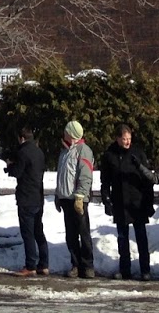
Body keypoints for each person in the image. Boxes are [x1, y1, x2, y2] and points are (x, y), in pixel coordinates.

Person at [102, 124, 156, 281]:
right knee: (122, 237)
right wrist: (106, 200)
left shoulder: (137, 153)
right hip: (119, 201)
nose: (127, 142)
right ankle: (125, 269)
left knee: (141, 236)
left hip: (137, 201)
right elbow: (105, 180)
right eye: (124, 139)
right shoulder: (110, 155)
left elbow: (147, 179)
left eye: (129, 139)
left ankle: (145, 269)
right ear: (117, 138)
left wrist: (149, 202)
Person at [56, 119, 96, 279]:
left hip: (78, 199)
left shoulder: (83, 150)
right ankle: (75, 264)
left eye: (66, 131)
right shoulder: (64, 151)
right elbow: (61, 175)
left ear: (72, 134)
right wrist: (58, 195)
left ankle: (88, 265)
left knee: (83, 233)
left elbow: (85, 175)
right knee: (71, 235)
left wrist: (80, 196)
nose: (64, 133)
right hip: (66, 199)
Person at [5, 127, 47, 277]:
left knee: (28, 233)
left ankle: (30, 265)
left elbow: (18, 172)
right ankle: (44, 264)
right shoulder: (39, 152)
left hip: (26, 197)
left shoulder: (22, 152)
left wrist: (10, 167)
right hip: (38, 196)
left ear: (21, 138)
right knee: (38, 231)